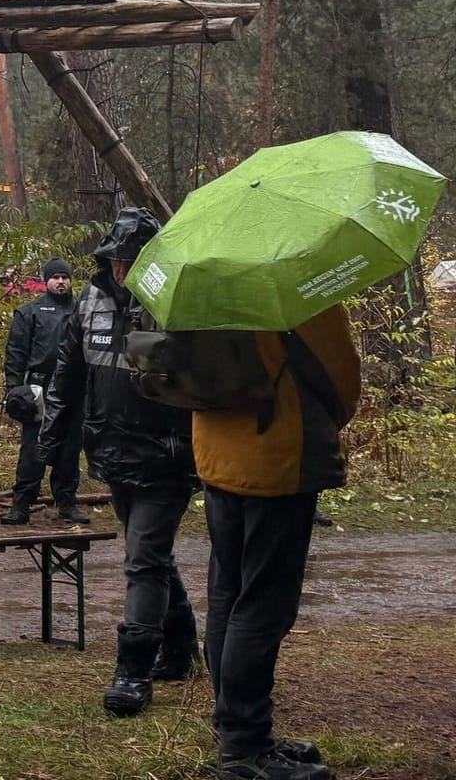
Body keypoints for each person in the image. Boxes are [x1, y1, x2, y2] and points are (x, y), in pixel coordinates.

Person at [40, 207, 198, 719]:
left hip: (166, 456)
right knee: (151, 555)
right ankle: (180, 653)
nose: (123, 270)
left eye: (133, 260)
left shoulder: (179, 304)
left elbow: (204, 380)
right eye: (117, 261)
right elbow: (68, 371)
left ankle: (132, 673)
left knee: (144, 560)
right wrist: (53, 430)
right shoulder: (87, 303)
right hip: (110, 450)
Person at [192, 305, 360, 780]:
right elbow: (340, 377)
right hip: (277, 458)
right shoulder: (297, 292)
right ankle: (246, 749)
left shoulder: (205, 286)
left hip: (215, 454)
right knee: (263, 605)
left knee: (228, 593)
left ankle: (235, 731)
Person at [0, 259, 88, 525]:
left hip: (73, 387)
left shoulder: (82, 312)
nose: (61, 282)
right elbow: (15, 353)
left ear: (71, 280)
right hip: (38, 388)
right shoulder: (30, 312)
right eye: (55, 277)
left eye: (65, 277)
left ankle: (67, 503)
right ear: (46, 281)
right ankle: (22, 505)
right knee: (33, 448)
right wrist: (14, 391)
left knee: (70, 448)